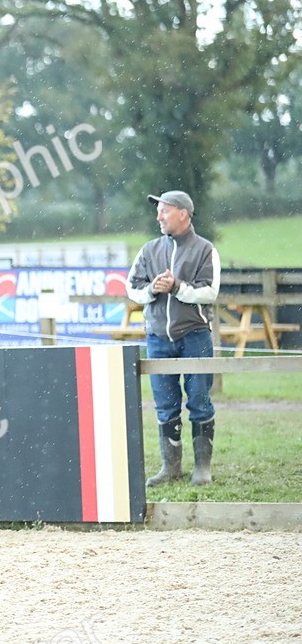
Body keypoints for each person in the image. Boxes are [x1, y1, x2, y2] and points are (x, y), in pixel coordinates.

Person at [126, 190, 220, 487]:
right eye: (159, 212)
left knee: (200, 402)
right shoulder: (149, 249)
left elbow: (210, 292)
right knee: (165, 406)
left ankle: (202, 468)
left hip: (195, 337)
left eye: (164, 211)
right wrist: (154, 289)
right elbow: (132, 288)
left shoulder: (206, 250)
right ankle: (171, 468)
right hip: (157, 339)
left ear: (183, 213)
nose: (159, 216)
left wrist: (177, 286)